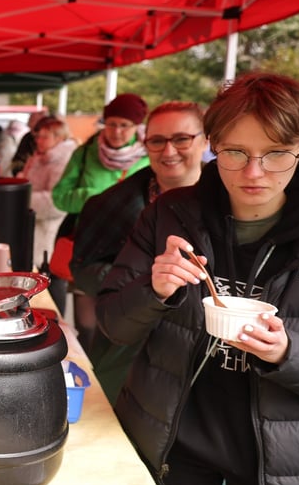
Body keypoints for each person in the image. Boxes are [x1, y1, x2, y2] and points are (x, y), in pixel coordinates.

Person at [97, 72, 299, 485]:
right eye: (235, 152)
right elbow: (113, 326)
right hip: (169, 437)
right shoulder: (171, 215)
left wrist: (286, 354)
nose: (254, 172)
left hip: (282, 456)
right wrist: (154, 290)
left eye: (276, 154)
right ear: (214, 145)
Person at [70, 101, 206, 403]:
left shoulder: (231, 205)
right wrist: (147, 286)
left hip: (202, 364)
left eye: (182, 139)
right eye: (157, 141)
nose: (169, 151)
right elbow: (83, 267)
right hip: (126, 355)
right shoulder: (109, 205)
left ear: (206, 139)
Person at [51, 93, 149, 333]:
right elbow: (59, 197)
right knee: (87, 324)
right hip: (89, 245)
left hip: (130, 248)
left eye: (124, 125)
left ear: (137, 126)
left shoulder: (149, 157)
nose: (116, 131)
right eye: (111, 124)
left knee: (122, 319)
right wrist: (97, 198)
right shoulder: (84, 153)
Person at [17, 117, 77, 270]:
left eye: (45, 137)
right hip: (32, 225)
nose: (39, 140)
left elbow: (56, 202)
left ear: (60, 138)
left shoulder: (63, 161)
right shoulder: (39, 157)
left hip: (49, 231)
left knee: (49, 277)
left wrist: (20, 200)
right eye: (38, 136)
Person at [10, 110, 49, 176]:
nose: (29, 123)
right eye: (30, 120)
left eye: (32, 120)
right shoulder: (27, 138)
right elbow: (17, 160)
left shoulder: (50, 139)